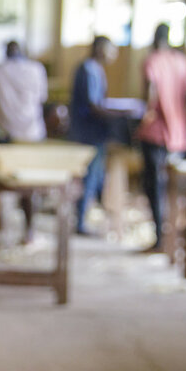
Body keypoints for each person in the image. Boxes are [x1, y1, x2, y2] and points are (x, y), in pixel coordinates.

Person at [136, 24, 186, 252]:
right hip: (178, 133)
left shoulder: (152, 61)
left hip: (156, 132)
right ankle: (173, 236)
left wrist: (145, 115)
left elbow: (151, 93)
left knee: (154, 186)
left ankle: (160, 237)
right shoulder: (182, 61)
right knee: (173, 187)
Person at [0, 40, 48, 240]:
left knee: (3, 182)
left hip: (7, 135)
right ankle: (28, 230)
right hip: (32, 133)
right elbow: (42, 98)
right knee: (29, 186)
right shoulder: (36, 69)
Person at [67, 35, 121, 235]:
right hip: (87, 133)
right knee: (88, 176)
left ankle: (92, 215)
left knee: (96, 176)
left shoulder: (96, 70)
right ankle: (80, 221)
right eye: (111, 50)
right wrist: (120, 112)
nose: (113, 55)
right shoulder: (88, 70)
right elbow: (93, 105)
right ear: (100, 49)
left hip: (95, 132)